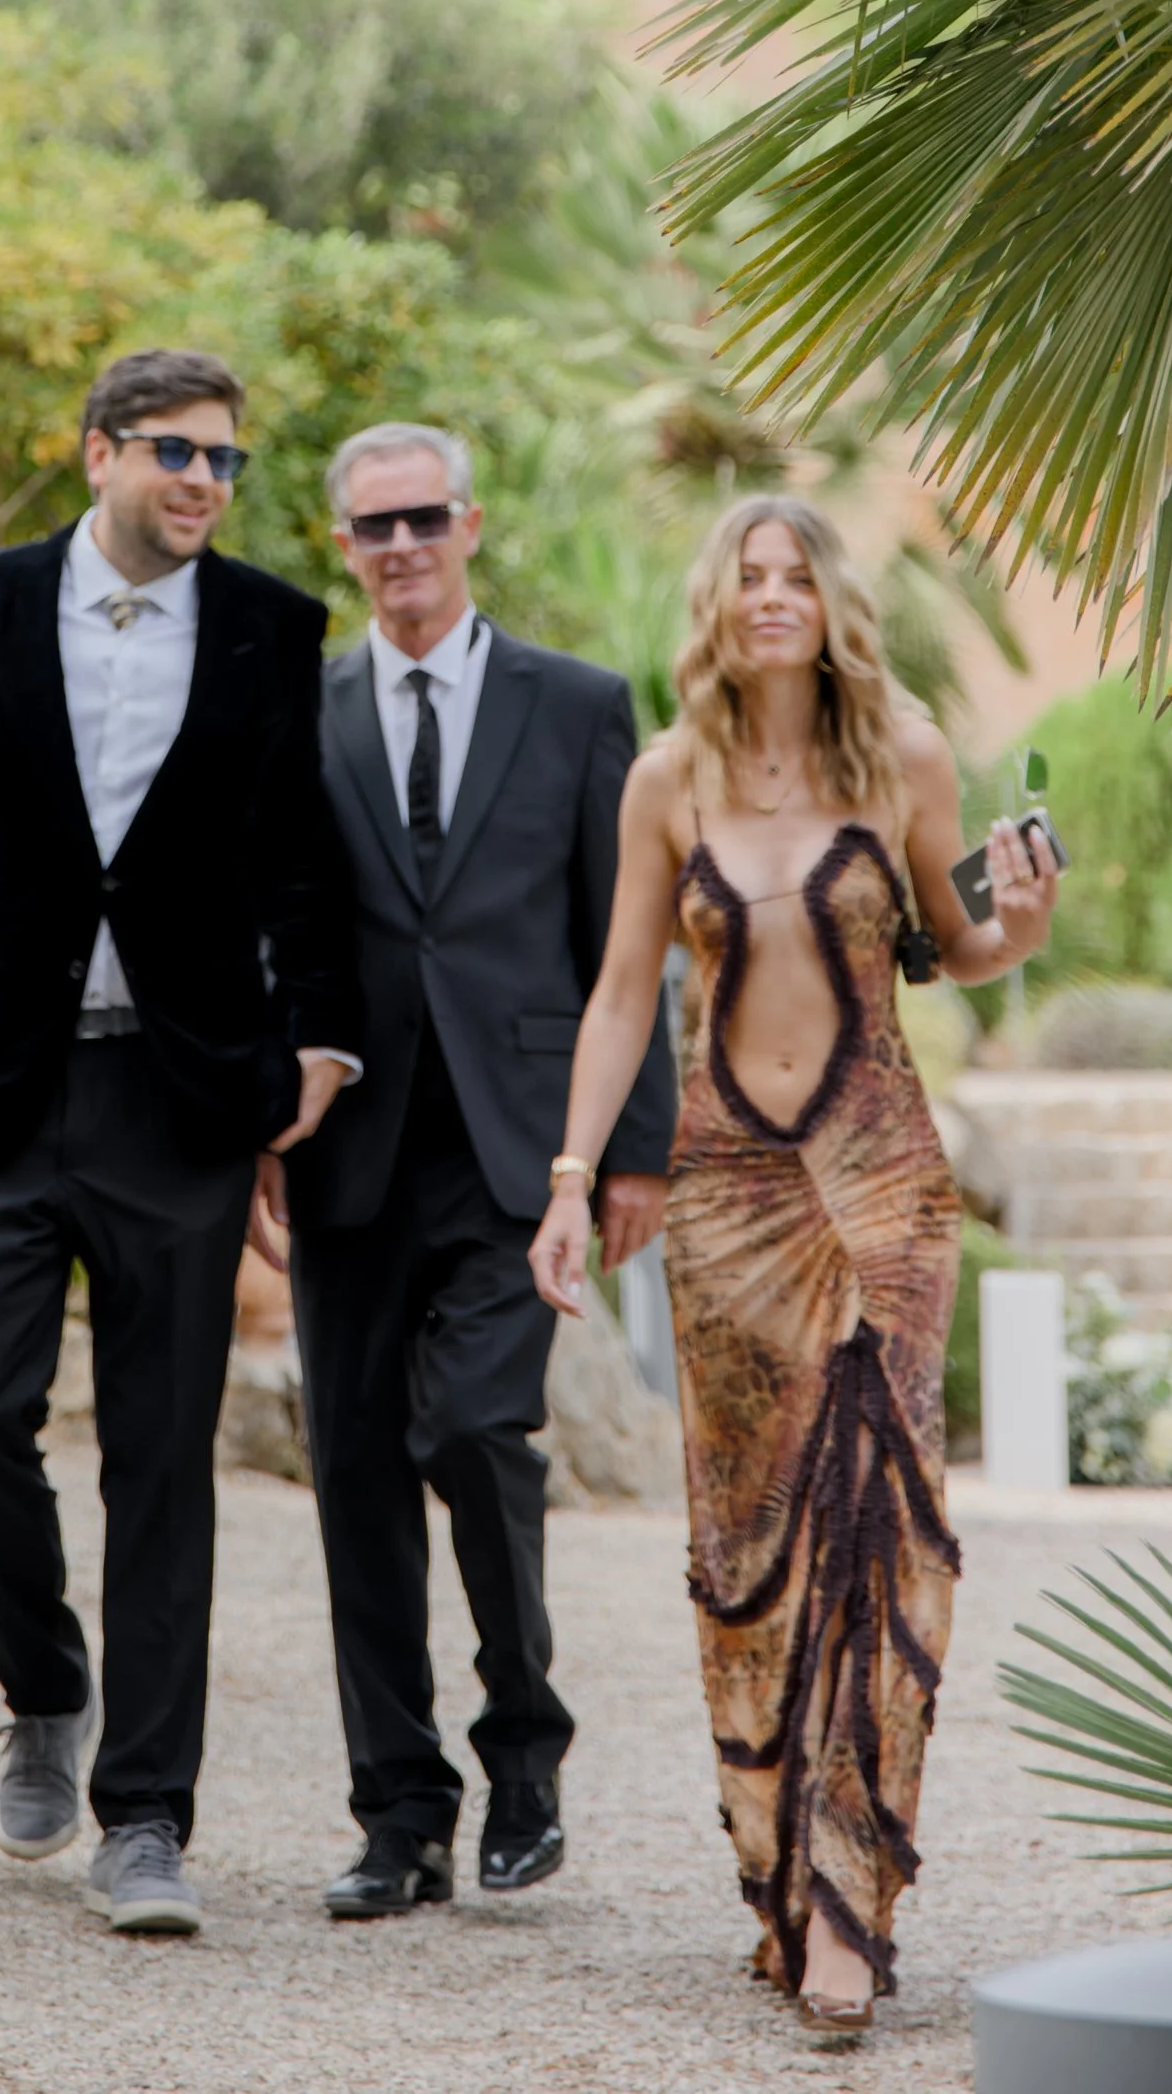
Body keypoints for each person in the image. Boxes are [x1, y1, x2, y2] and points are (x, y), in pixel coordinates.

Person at [0, 347, 361, 1939]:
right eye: (176, 454)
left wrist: (315, 1043)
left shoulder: (272, 627)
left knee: (161, 1462)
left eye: (227, 463)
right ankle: (44, 1687)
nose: (204, 482)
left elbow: (302, 866)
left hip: (178, 1098)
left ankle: (147, 1818)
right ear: (99, 455)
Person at [530, 496, 1059, 2040]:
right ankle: (778, 1877)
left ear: (833, 602)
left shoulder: (902, 751)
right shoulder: (664, 779)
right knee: (754, 1544)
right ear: (718, 603)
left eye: (798, 577)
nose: (774, 599)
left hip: (881, 1180)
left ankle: (850, 1903)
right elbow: (624, 991)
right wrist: (572, 1182)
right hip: (726, 1191)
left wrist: (1015, 926)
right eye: (749, 578)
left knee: (884, 1522)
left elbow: (953, 945)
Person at [270, 421, 674, 1923]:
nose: (401, 546)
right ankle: (399, 1815)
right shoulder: (297, 717)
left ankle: (527, 1748)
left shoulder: (576, 708)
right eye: (373, 526)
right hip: (349, 1149)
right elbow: (277, 943)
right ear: (343, 544)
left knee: (478, 1431)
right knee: (357, 1476)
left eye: (423, 517)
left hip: (521, 1149)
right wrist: (262, 1119)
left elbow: (629, 954)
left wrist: (631, 1152)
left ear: (471, 523)